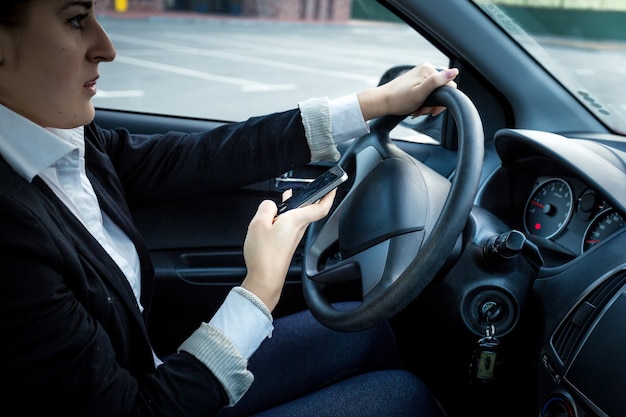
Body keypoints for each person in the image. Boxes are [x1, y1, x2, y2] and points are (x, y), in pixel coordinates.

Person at [0, 1, 458, 416]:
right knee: (402, 396)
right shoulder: (12, 236)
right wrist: (259, 287)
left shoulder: (66, 140)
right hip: (156, 402)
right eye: (77, 20)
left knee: (367, 332)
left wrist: (373, 104)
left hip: (156, 376)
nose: (106, 47)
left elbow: (200, 157)